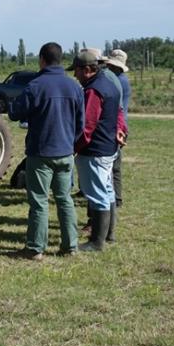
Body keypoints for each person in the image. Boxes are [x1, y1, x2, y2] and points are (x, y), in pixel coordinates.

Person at [9, 43, 85, 260]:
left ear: (42, 59)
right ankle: (70, 246)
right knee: (64, 199)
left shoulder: (35, 85)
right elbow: (81, 123)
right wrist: (70, 142)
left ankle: (35, 248)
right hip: (65, 151)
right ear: (60, 59)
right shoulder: (74, 87)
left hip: (40, 152)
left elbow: (15, 113)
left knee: (39, 201)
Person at [72, 49, 127, 251]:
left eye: (76, 70)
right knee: (107, 191)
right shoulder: (109, 84)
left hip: (95, 151)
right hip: (108, 147)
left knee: (97, 195)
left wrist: (73, 148)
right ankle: (109, 235)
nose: (74, 75)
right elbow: (119, 113)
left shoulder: (93, 91)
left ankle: (97, 242)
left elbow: (87, 126)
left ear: (87, 70)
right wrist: (122, 131)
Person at [105, 49, 130, 235]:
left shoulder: (116, 81)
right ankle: (117, 198)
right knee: (115, 167)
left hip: (116, 127)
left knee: (112, 168)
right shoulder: (123, 80)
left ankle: (116, 198)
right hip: (121, 126)